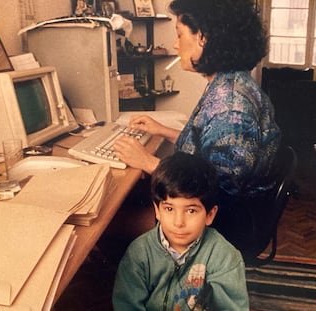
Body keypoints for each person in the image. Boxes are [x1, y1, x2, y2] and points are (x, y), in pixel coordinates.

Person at [113, 0, 281, 250]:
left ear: (205, 37)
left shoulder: (230, 104)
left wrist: (147, 162)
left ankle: (157, 283)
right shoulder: (230, 82)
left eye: (180, 34)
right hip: (225, 213)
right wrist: (163, 130)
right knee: (128, 197)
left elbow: (215, 189)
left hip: (223, 225)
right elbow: (210, 143)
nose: (175, 43)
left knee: (112, 223)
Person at [112, 152, 249, 310]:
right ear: (157, 210)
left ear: (210, 215)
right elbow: (127, 306)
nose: (178, 222)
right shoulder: (139, 253)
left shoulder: (225, 258)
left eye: (191, 211)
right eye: (169, 208)